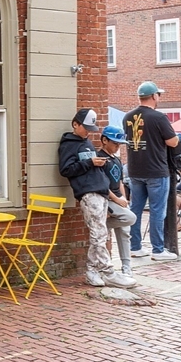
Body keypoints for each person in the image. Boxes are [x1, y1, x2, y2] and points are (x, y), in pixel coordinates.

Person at [58, 109, 136, 288]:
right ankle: (108, 272)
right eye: (85, 127)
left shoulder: (86, 142)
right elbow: (66, 170)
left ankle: (92, 271)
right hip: (88, 192)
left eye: (90, 128)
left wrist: (96, 164)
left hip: (100, 191)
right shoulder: (68, 144)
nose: (88, 131)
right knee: (99, 234)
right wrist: (90, 163)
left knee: (99, 234)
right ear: (75, 124)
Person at [123, 81, 180, 260]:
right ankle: (158, 250)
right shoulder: (159, 117)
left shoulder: (127, 117)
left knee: (136, 209)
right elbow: (173, 142)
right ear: (154, 96)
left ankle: (135, 247)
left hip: (134, 170)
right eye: (158, 95)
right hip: (156, 170)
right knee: (157, 210)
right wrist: (176, 136)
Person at [98, 126, 137, 276]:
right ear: (104, 140)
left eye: (119, 144)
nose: (117, 146)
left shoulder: (117, 160)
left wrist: (124, 198)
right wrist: (115, 199)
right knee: (129, 218)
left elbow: (119, 182)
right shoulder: (100, 158)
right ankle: (102, 225)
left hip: (118, 199)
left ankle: (126, 266)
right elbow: (101, 183)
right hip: (107, 199)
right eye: (115, 143)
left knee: (125, 231)